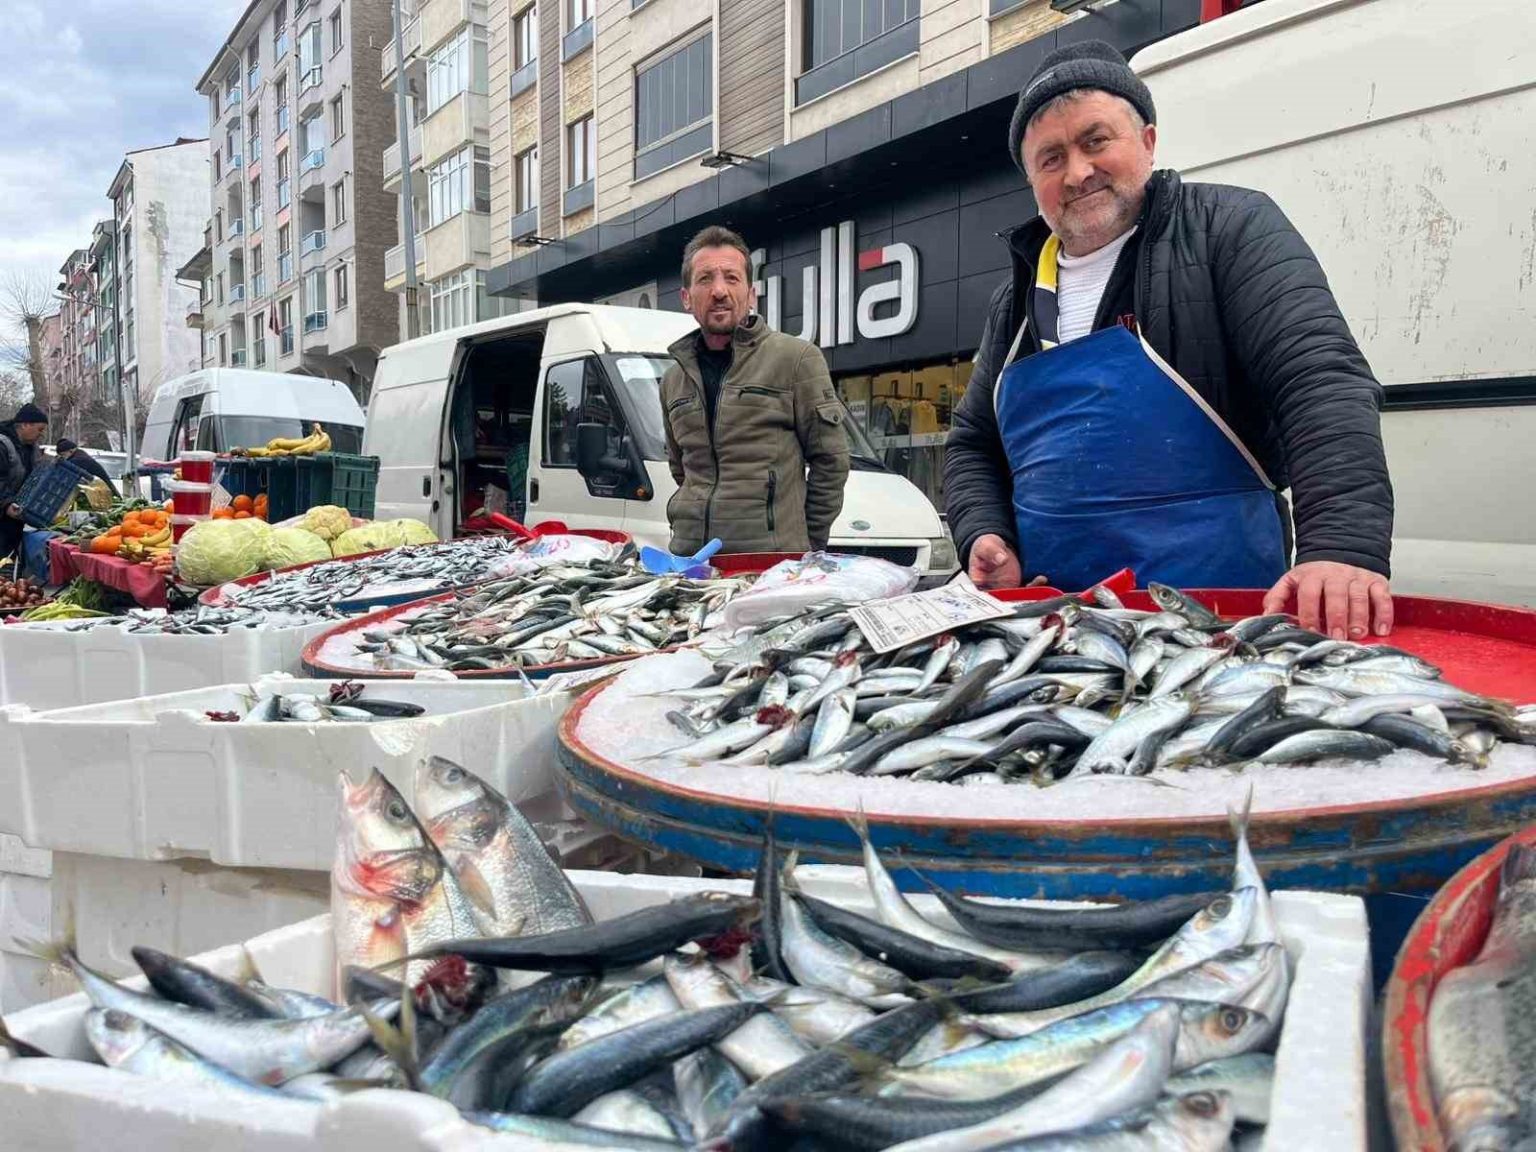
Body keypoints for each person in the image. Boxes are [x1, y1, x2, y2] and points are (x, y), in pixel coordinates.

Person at [944, 41, 1395, 641]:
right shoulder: (1017, 299)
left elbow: (1318, 379)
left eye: (1096, 141)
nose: (1077, 172)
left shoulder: (1228, 229)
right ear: (1032, 180)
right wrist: (984, 531)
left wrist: (1340, 545)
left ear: (1148, 142)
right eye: (1051, 159)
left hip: (1218, 619)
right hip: (1055, 625)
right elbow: (973, 443)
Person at [661, 225, 850, 555]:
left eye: (731, 278)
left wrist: (805, 545)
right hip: (689, 561)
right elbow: (682, 469)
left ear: (751, 294)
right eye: (705, 279)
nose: (719, 291)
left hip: (769, 563)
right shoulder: (672, 380)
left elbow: (831, 462)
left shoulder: (796, 359)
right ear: (686, 298)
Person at [1, 402, 48, 566]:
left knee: (9, 564)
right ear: (25, 425)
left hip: (15, 517)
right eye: (40, 429)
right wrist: (6, 504)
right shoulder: (2, 445)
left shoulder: (31, 448)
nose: (41, 434)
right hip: (3, 513)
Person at [54, 438, 121, 499]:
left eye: (63, 455)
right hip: (100, 490)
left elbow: (68, 472)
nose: (63, 458)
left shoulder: (79, 459)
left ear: (70, 451)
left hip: (103, 492)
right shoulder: (79, 453)